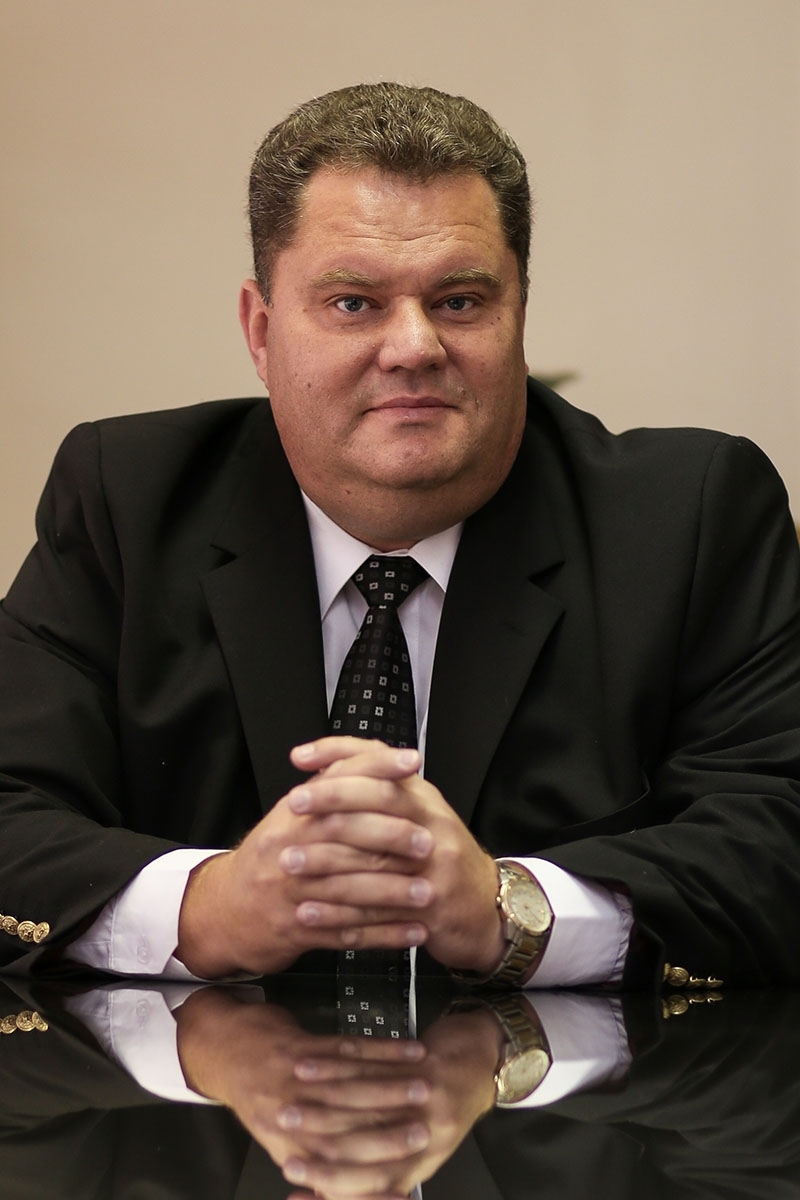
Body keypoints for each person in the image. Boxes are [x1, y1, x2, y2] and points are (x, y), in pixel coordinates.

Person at [0, 82, 798, 992]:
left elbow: (775, 832)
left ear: (519, 315)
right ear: (261, 331)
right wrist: (207, 907)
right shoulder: (129, 503)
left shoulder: (690, 519)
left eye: (459, 301)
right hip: (184, 1081)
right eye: (354, 303)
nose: (414, 346)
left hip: (578, 1083)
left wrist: (509, 909)